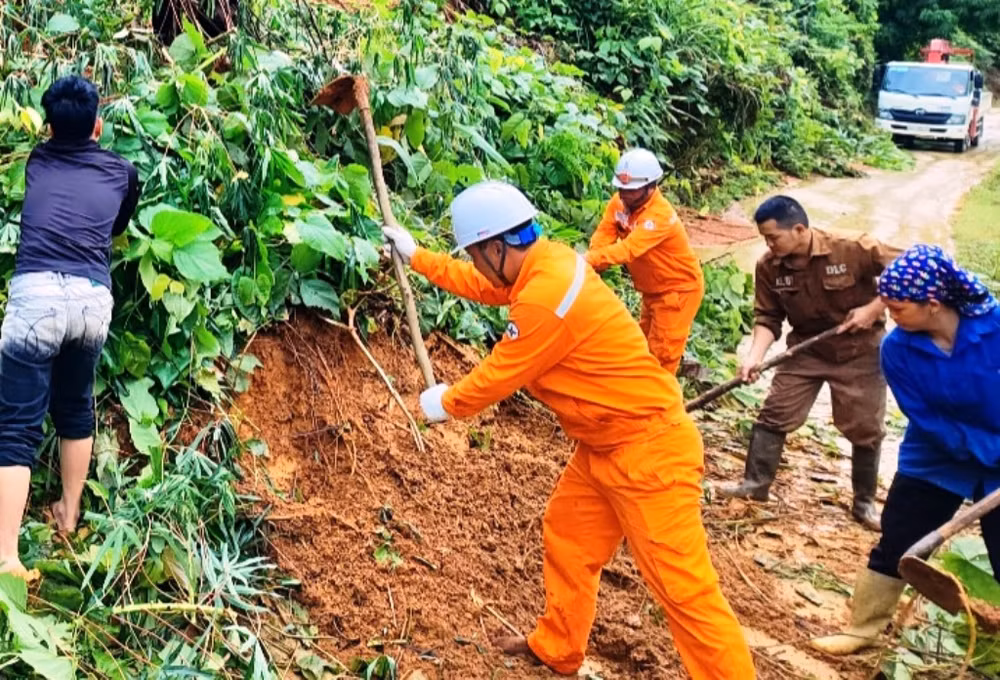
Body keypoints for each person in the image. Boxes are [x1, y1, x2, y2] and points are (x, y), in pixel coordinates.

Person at [384, 181, 755, 679]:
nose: (475, 263)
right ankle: (558, 646)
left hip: (649, 451)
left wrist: (446, 404)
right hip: (603, 444)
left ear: (496, 247)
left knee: (684, 589)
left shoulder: (546, 296)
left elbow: (501, 372)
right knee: (568, 536)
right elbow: (488, 287)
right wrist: (419, 258)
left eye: (474, 254)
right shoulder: (544, 262)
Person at [812, 245, 1000, 655]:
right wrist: (986, 449)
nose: (890, 316)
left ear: (932, 303)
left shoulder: (995, 327)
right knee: (899, 540)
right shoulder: (896, 349)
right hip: (936, 457)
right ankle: (863, 628)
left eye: (897, 308)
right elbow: (924, 415)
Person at [0, 75, 139, 577]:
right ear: (98, 126)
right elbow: (116, 225)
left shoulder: (37, 162)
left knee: (16, 427)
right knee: (76, 407)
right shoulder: (124, 172)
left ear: (49, 129)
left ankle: (7, 556)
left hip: (36, 295)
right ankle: (69, 514)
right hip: (90, 300)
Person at [717, 196, 901, 531]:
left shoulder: (852, 247)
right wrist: (754, 357)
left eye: (773, 237)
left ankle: (864, 503)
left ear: (800, 230)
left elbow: (913, 269)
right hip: (806, 351)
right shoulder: (769, 266)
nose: (769, 245)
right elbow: (767, 318)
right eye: (765, 238)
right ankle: (755, 485)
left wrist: (873, 309)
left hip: (860, 351)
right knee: (775, 413)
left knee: (866, 427)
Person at [585, 148, 704, 373]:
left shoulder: (660, 216)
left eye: (631, 191)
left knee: (662, 356)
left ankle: (662, 394)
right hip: (652, 290)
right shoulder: (619, 203)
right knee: (642, 348)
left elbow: (628, 250)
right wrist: (594, 262)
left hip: (677, 291)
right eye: (621, 189)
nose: (624, 195)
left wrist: (587, 260)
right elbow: (604, 233)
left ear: (651, 187)